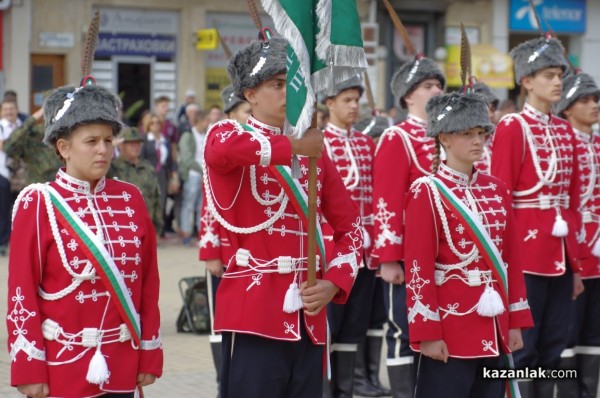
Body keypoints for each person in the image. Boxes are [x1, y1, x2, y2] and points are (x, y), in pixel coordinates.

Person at [200, 35, 363, 398]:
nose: (289, 91)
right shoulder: (230, 133)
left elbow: (351, 226)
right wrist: (293, 146)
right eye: (277, 84)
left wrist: (335, 282)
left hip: (311, 312)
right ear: (250, 94)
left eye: (292, 82)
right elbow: (219, 151)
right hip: (254, 313)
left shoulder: (314, 153)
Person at [6, 83, 163, 398]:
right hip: (63, 365)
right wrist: (28, 366)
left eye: (108, 140)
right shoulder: (38, 202)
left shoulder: (131, 197)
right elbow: (21, 292)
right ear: (63, 147)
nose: (103, 150)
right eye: (91, 141)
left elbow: (148, 283)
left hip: (121, 361)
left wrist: (149, 351)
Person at [405, 89, 532, 398]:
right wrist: (427, 332)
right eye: (466, 134)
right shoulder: (428, 191)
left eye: (480, 132)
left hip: (495, 324)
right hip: (451, 326)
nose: (478, 140)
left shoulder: (497, 189)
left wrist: (514, 321)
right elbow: (419, 269)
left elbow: (511, 260)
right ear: (444, 139)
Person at [491, 35, 584, 397]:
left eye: (559, 74)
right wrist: (504, 260)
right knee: (524, 346)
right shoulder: (514, 126)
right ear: (526, 81)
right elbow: (500, 197)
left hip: (560, 255)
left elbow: (572, 201)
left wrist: (574, 263)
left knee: (555, 345)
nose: (558, 81)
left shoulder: (565, 130)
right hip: (526, 256)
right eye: (548, 75)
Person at [371, 52, 444, 398]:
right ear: (407, 96)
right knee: (403, 328)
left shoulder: (446, 138)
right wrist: (388, 256)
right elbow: (385, 199)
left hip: (446, 254)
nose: (437, 91)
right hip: (406, 256)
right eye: (428, 85)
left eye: (439, 85)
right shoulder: (396, 138)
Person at [321, 75, 377, 398]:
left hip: (365, 251)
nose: (354, 106)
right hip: (333, 249)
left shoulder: (366, 144)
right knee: (331, 324)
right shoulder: (319, 142)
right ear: (329, 103)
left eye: (357, 100)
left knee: (354, 327)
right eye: (347, 100)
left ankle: (346, 390)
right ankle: (323, 391)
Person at [554, 71, 600, 398]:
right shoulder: (562, 143)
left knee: (594, 333)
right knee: (567, 332)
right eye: (585, 100)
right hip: (573, 248)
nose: (594, 105)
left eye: (595, 99)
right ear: (567, 108)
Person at [109, 126, 163, 234]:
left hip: (145, 226)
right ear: (121, 145)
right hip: (121, 227)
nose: (136, 147)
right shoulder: (112, 168)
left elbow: (156, 197)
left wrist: (157, 228)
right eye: (131, 143)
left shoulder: (147, 168)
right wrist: (110, 146)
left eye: (138, 143)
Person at [3, 106, 63, 186]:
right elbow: (8, 147)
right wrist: (33, 118)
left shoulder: (69, 133)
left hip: (63, 185)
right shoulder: (35, 133)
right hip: (38, 187)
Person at [178, 109, 210, 246]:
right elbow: (186, 158)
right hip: (192, 174)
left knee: (201, 205)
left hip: (203, 175)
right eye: (205, 121)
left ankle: (200, 233)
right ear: (200, 121)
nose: (207, 124)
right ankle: (186, 232)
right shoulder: (188, 135)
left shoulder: (205, 135)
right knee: (188, 205)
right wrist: (203, 170)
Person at [472, 80, 500, 174]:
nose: (491, 115)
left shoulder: (499, 138)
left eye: (492, 110)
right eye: (485, 110)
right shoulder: (457, 142)